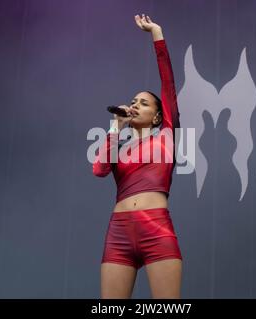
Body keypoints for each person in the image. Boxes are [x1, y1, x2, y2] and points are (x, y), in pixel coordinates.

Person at [92, 14, 182, 299]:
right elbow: (99, 169)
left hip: (155, 227)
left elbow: (167, 80)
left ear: (157, 115)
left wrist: (157, 33)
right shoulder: (120, 145)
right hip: (119, 232)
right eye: (133, 102)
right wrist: (115, 128)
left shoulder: (167, 132)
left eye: (143, 103)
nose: (134, 105)